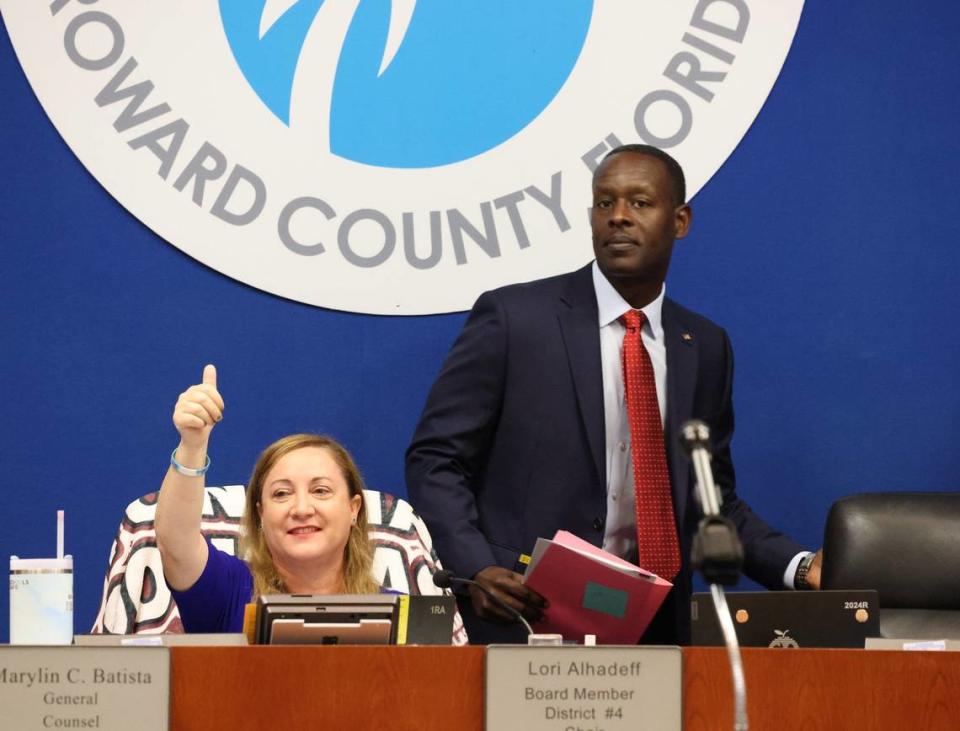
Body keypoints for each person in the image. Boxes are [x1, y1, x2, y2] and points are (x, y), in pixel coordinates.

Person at [405, 144, 822, 644]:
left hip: (657, 624)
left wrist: (800, 567)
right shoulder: (516, 320)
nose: (619, 217)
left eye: (640, 203)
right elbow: (436, 459)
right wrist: (476, 569)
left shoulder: (704, 346)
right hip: (525, 611)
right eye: (605, 204)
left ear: (681, 220)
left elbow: (711, 498)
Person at [155, 364, 379, 632]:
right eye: (282, 494)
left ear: (353, 508)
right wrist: (192, 445)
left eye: (320, 490)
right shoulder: (230, 592)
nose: (302, 508)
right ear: (261, 513)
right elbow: (175, 544)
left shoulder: (398, 611)